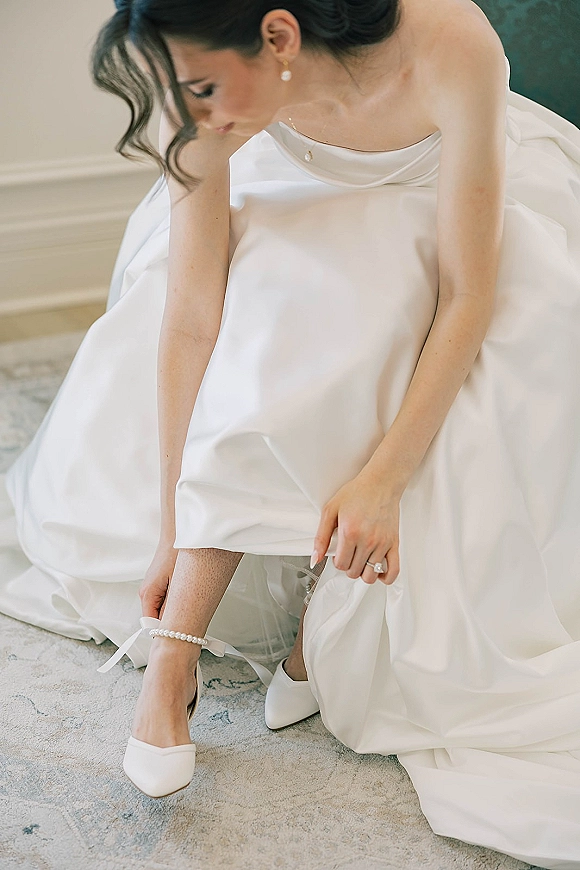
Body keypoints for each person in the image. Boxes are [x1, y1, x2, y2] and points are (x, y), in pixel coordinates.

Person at [1, 0, 579, 864]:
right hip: (287, 200)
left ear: (278, 36)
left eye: (202, 88)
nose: (190, 114)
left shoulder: (449, 40)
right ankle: (174, 659)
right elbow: (192, 316)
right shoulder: (201, 97)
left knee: (375, 315)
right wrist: (171, 524)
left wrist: (384, 479)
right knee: (273, 313)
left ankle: (318, 623)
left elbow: (468, 294)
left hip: (450, 204)